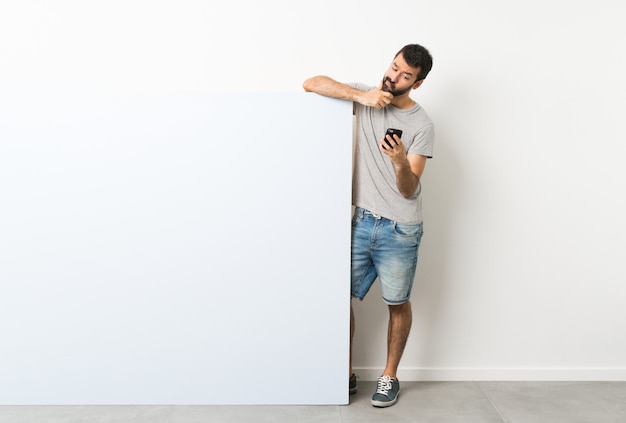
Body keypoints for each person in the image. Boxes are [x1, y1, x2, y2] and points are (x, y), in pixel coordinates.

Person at [302, 44, 434, 408]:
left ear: (417, 83)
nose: (394, 77)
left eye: (405, 75)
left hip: (400, 228)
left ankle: (389, 377)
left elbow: (410, 190)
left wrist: (399, 162)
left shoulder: (422, 125)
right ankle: (343, 373)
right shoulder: (366, 93)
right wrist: (362, 96)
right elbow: (311, 83)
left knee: (397, 303)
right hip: (360, 221)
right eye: (393, 68)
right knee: (335, 295)